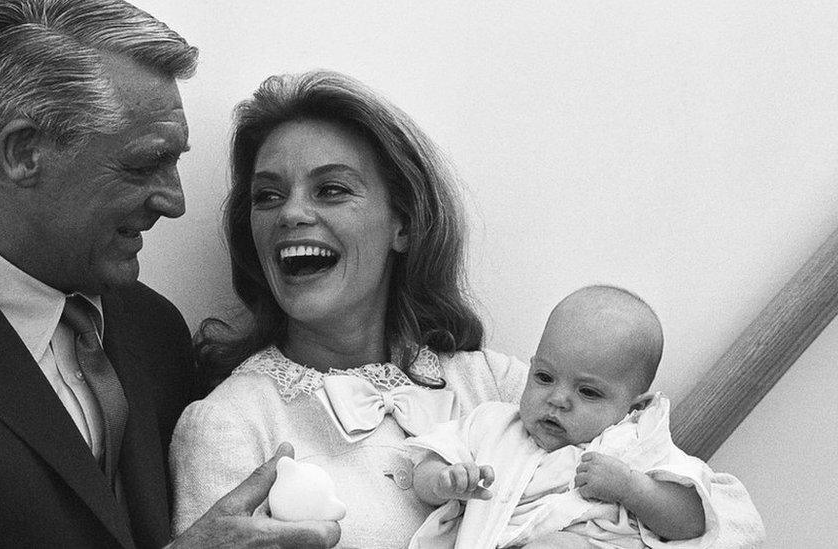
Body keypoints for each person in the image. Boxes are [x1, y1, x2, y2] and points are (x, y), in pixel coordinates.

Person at [167, 70, 765, 546]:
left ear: (402, 223)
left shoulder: (508, 385)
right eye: (267, 195)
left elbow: (726, 522)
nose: (290, 213)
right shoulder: (229, 424)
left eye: (331, 189)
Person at [0, 1, 337, 548]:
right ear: (23, 153)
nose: (175, 202)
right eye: (142, 165)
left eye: (176, 160)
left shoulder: (153, 328)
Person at [408, 286, 763, 548]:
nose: (558, 399)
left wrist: (632, 488)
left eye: (588, 392)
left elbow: (693, 520)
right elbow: (425, 466)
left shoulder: (636, 445)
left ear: (633, 408)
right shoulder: (493, 424)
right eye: (544, 378)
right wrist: (444, 479)